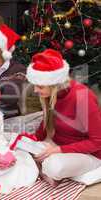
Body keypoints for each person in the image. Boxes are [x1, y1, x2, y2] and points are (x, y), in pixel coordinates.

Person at [26, 49, 101, 186]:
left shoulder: (83, 97)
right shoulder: (52, 95)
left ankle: (47, 169)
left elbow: (97, 142)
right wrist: (30, 141)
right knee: (26, 149)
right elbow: (46, 123)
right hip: (59, 147)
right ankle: (45, 168)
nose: (35, 90)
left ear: (55, 83)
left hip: (90, 154)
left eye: (40, 86)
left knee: (55, 166)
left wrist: (58, 151)